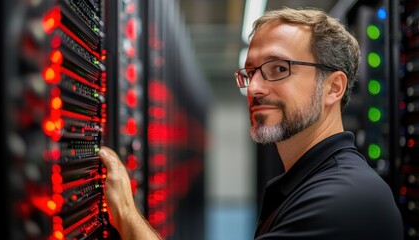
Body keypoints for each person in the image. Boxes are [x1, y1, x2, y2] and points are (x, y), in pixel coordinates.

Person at [98, 6, 404, 240]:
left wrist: (126, 214)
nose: (254, 88)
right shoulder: (312, 183)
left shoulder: (344, 200)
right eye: (250, 72)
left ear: (334, 87)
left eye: (278, 68)